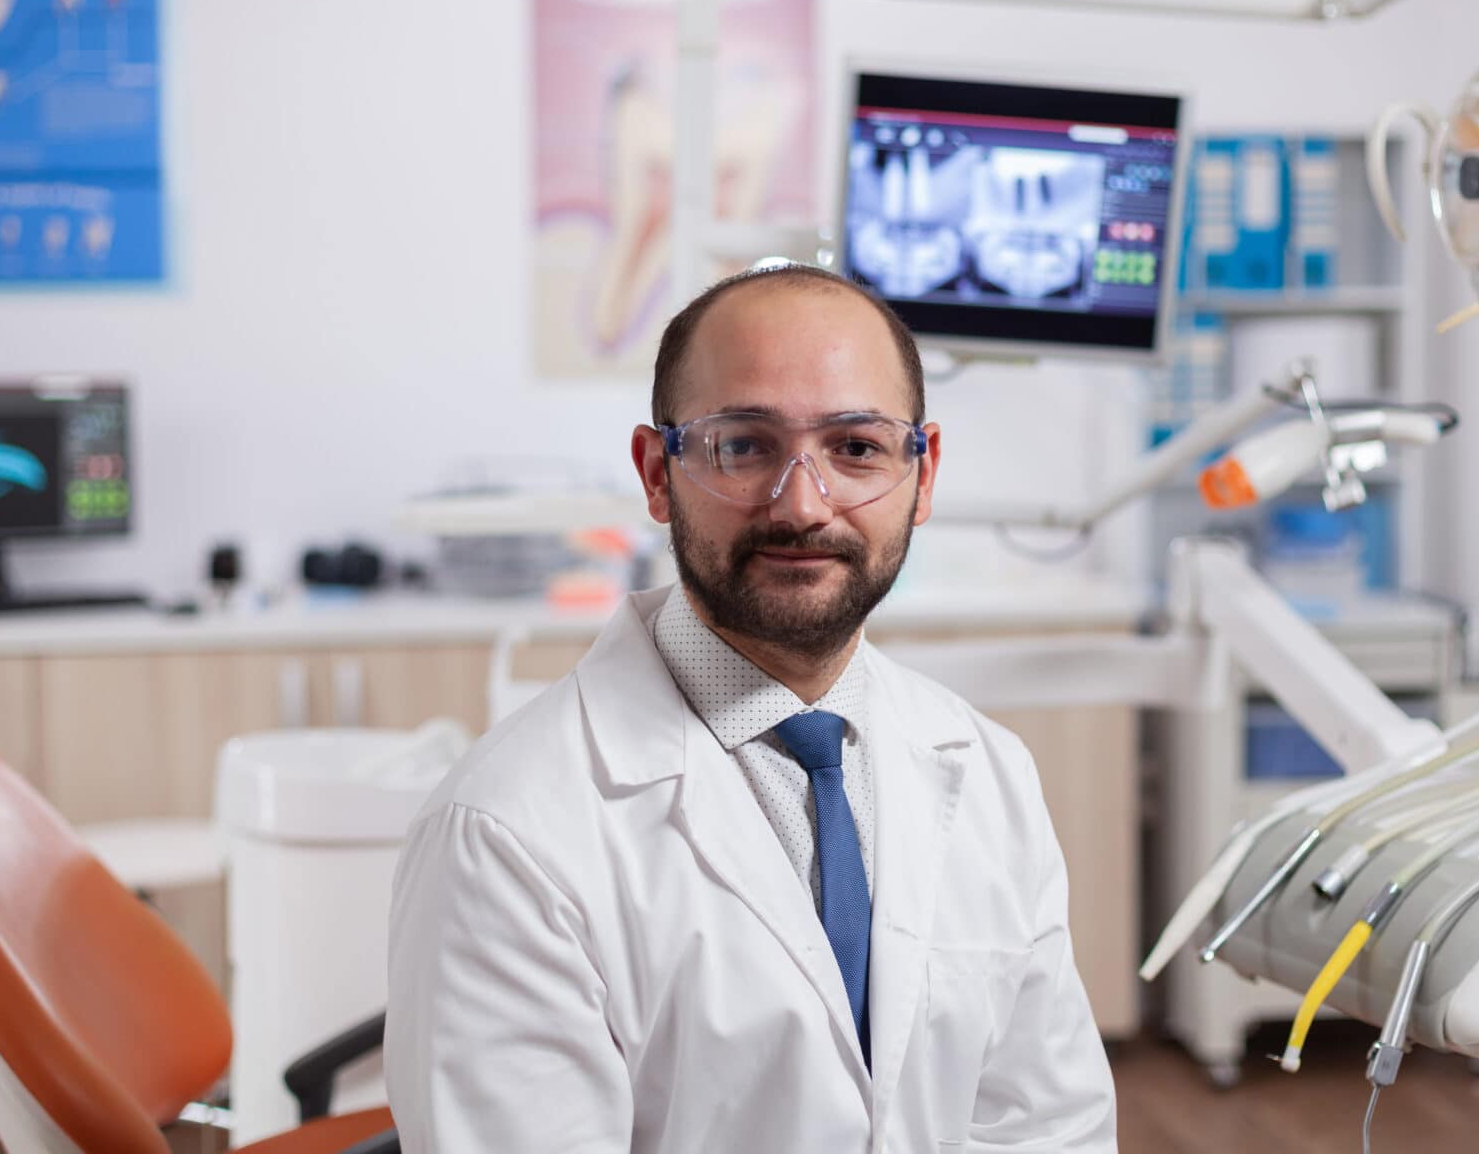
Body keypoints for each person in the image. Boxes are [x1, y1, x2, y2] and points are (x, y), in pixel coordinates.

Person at [386, 263, 1117, 1152]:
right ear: (659, 474)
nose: (803, 505)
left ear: (921, 477)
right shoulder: (507, 834)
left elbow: (1046, 1125)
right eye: (745, 446)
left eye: (856, 447)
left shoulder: (990, 771)